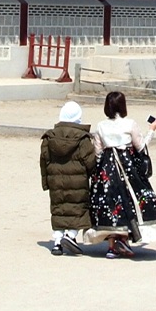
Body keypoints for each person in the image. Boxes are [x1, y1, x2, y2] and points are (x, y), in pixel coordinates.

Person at [87, 90, 156, 258]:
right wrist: (151, 131)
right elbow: (141, 147)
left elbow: (97, 152)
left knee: (110, 204)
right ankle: (123, 239)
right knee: (130, 200)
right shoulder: (130, 124)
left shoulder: (101, 126)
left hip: (107, 169)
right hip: (127, 168)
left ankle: (112, 246)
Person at [39, 100, 96, 256]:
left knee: (58, 210)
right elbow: (90, 161)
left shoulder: (49, 137)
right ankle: (70, 235)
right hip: (78, 182)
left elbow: (44, 161)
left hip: (56, 181)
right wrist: (93, 176)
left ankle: (57, 242)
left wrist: (46, 182)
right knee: (78, 209)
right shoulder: (83, 139)